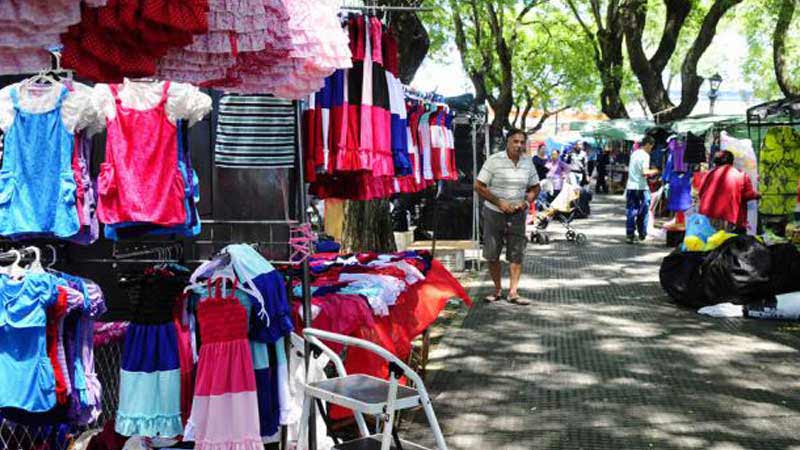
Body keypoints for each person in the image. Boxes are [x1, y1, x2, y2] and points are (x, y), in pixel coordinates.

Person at [475, 129, 540, 305]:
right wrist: (499, 202)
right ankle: (497, 289)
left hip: (517, 215)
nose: (518, 145)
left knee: (516, 254)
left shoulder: (528, 162)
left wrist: (526, 203)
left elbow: (535, 187)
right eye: (515, 141)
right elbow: (479, 186)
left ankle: (513, 292)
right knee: (492, 253)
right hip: (493, 213)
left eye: (521, 142)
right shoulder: (494, 160)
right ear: (508, 142)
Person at [698, 150, 760, 232]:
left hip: (707, 216)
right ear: (732, 161)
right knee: (726, 242)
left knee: (710, 242)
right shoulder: (741, 174)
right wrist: (759, 194)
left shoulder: (709, 174)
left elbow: (700, 193)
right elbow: (747, 195)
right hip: (729, 216)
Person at [626, 136, 659, 244]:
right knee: (644, 212)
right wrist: (655, 171)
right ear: (648, 144)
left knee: (631, 211)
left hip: (631, 186)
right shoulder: (645, 155)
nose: (651, 149)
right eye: (651, 147)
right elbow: (645, 172)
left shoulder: (634, 153)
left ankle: (630, 235)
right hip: (640, 187)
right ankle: (642, 235)